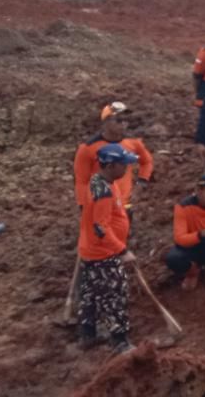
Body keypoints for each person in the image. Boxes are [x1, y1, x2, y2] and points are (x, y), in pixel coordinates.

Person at [77, 144, 138, 353]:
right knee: (115, 293)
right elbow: (100, 227)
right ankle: (120, 340)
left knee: (91, 292)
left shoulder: (101, 181)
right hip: (103, 253)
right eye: (124, 165)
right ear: (111, 165)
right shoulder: (102, 190)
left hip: (90, 250)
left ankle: (88, 334)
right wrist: (121, 250)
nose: (127, 168)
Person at [74, 102, 154, 217]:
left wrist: (141, 182)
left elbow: (147, 162)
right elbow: (82, 180)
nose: (123, 124)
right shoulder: (88, 148)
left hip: (124, 206)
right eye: (118, 120)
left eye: (126, 120)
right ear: (106, 123)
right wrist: (83, 205)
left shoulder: (133, 143)